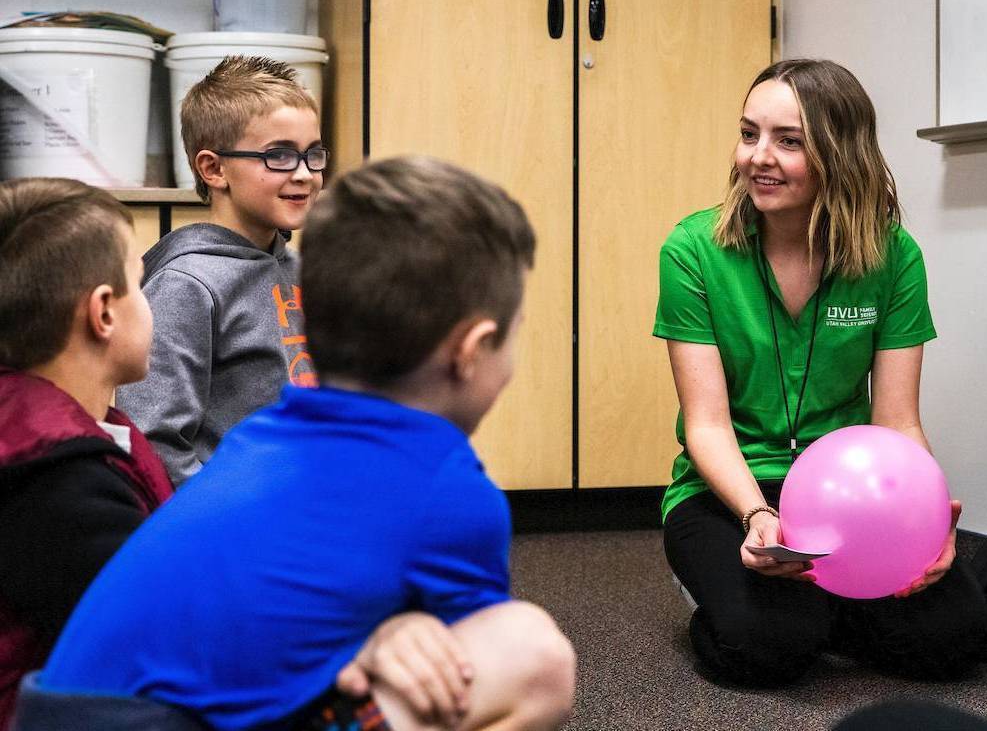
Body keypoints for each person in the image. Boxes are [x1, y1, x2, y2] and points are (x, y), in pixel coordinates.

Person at [22, 156, 576, 731]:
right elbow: (448, 660)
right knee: (532, 654)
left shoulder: (258, 438)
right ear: (473, 350)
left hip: (57, 712)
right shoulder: (451, 492)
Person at [655, 59, 987, 686]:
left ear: (841, 153)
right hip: (729, 493)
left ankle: (821, 605)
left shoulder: (893, 256)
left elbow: (896, 421)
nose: (758, 157)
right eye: (749, 133)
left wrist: (928, 515)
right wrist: (759, 517)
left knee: (955, 635)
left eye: (788, 141)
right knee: (767, 648)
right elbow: (706, 426)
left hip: (850, 497)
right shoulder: (693, 250)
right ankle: (763, 603)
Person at [0, 178, 174, 730]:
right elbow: (167, 646)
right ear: (103, 313)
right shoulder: (60, 489)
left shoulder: (67, 435)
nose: (148, 305)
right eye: (140, 285)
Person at [116, 55, 322, 486]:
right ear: (213, 169)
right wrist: (220, 521)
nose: (304, 174)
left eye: (313, 154)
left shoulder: (296, 265)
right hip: (233, 527)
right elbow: (155, 438)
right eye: (279, 156)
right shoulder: (186, 284)